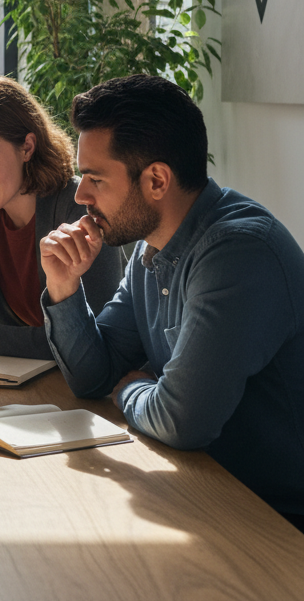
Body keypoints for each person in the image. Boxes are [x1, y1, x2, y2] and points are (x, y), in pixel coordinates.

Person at [40, 75, 304, 530]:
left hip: (275, 519)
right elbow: (93, 375)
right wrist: (65, 287)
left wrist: (127, 391)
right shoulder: (151, 249)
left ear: (157, 179)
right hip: (206, 490)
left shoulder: (239, 253)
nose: (80, 196)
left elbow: (182, 422)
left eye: (95, 179)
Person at [0, 76, 124, 360]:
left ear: (27, 147)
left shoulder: (80, 205)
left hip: (88, 392)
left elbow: (95, 341)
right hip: (23, 387)